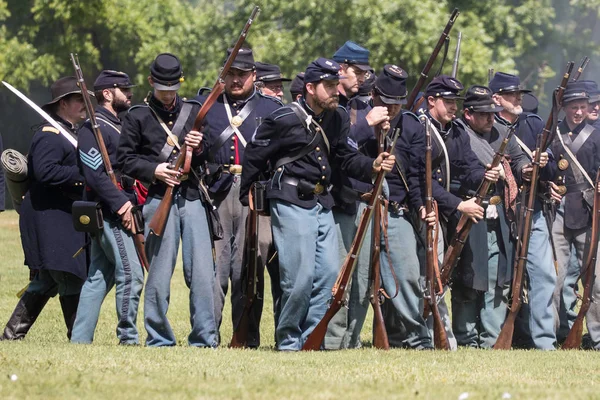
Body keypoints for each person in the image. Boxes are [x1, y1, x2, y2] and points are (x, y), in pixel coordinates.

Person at [240, 58, 395, 351]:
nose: (336, 90)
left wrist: (372, 164)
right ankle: (288, 340)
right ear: (310, 88)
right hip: (290, 199)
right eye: (329, 86)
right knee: (299, 279)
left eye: (336, 84)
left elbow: (345, 158)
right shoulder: (284, 118)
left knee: (327, 278)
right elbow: (255, 156)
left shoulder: (336, 118)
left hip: (322, 201)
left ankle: (312, 339)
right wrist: (247, 195)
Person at [118, 53, 216, 347]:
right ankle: (159, 337)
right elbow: (124, 159)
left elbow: (208, 153)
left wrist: (198, 148)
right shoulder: (137, 115)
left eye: (172, 87)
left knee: (201, 271)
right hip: (158, 198)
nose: (168, 94)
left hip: (192, 195)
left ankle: (204, 337)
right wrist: (154, 170)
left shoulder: (194, 110)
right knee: (159, 273)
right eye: (162, 87)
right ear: (151, 82)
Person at [199, 48, 282, 347]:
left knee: (249, 269)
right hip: (217, 191)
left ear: (254, 76)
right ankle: (208, 336)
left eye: (242, 74)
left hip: (255, 194)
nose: (236, 80)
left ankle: (246, 335)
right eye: (231, 74)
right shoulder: (205, 106)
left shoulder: (271, 108)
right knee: (215, 271)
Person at [1, 77, 88, 340]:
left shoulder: (69, 132)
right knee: (67, 275)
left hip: (61, 216)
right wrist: (85, 175)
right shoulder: (49, 134)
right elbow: (45, 171)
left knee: (48, 279)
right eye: (78, 100)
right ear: (63, 104)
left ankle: (11, 334)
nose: (85, 105)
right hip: (48, 217)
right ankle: (78, 336)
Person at [419, 75, 501, 349]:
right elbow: (423, 180)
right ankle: (425, 335)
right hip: (426, 210)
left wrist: (486, 175)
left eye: (455, 101)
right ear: (432, 101)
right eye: (448, 101)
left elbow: (468, 168)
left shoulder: (454, 131)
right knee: (429, 276)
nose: (453, 107)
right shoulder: (420, 128)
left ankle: (439, 336)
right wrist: (458, 204)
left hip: (447, 212)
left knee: (441, 275)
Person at [451, 85, 532, 348]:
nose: (490, 118)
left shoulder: (502, 133)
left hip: (500, 216)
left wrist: (524, 170)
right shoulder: (458, 135)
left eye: (492, 112)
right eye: (484, 113)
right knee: (469, 277)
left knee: (499, 279)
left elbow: (519, 161)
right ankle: (465, 338)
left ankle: (492, 339)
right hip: (470, 213)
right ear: (468, 114)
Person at [70, 70, 145, 345]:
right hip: (109, 210)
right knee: (131, 274)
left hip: (122, 205)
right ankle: (127, 337)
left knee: (98, 278)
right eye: (124, 89)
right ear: (107, 93)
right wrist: (122, 204)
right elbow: (94, 175)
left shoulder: (120, 124)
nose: (129, 94)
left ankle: (79, 340)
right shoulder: (92, 129)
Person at [490, 71, 557, 350]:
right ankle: (492, 337)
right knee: (499, 277)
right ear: (496, 99)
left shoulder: (534, 124)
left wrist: (541, 165)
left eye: (518, 94)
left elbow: (553, 169)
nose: (518, 98)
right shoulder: (487, 126)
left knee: (543, 274)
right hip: (496, 213)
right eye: (511, 94)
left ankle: (544, 341)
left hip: (532, 207)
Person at [551, 80, 600, 349]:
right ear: (566, 108)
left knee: (594, 280)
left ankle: (596, 338)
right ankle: (559, 334)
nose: (579, 112)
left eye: (582, 107)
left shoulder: (597, 133)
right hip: (558, 209)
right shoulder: (553, 134)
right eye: (574, 107)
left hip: (588, 210)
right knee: (556, 279)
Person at [332, 41, 370, 109]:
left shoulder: (364, 109)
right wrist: (368, 120)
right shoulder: (325, 104)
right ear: (340, 69)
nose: (362, 80)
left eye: (364, 74)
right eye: (357, 72)